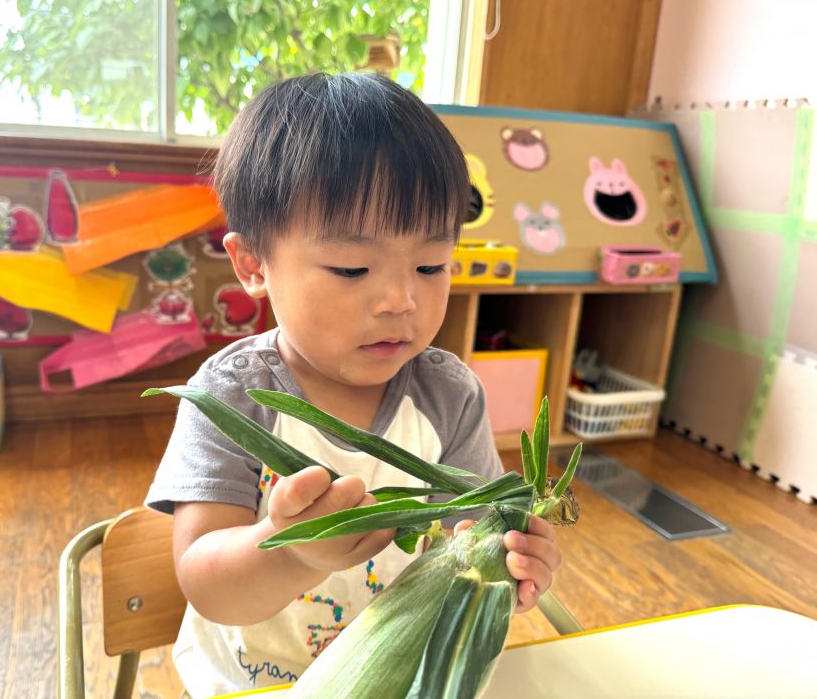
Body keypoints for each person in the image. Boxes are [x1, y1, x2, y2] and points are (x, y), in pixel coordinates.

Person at [146, 72, 562, 698]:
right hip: (249, 685)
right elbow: (205, 581)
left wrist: (514, 562)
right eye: (351, 267)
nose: (401, 299)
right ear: (253, 265)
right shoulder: (234, 396)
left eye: (430, 264)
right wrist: (290, 550)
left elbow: (474, 540)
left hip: (405, 678)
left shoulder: (449, 398)